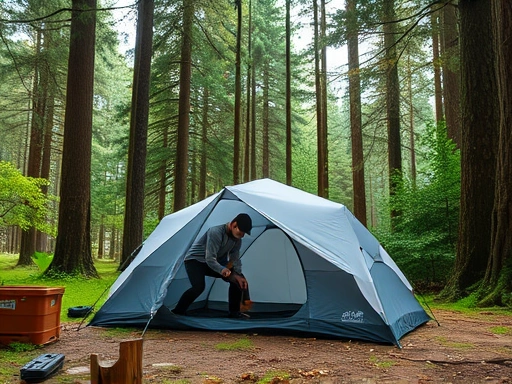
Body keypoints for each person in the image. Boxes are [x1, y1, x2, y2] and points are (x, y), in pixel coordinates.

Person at [172, 213, 253, 318]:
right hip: (196, 260)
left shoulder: (237, 239)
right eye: (241, 231)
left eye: (244, 233)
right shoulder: (216, 232)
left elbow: (235, 259)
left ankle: (234, 312)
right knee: (199, 287)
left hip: (216, 262)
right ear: (234, 225)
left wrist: (237, 274)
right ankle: (178, 312)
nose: (242, 235)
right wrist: (223, 270)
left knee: (237, 280)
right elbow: (210, 258)